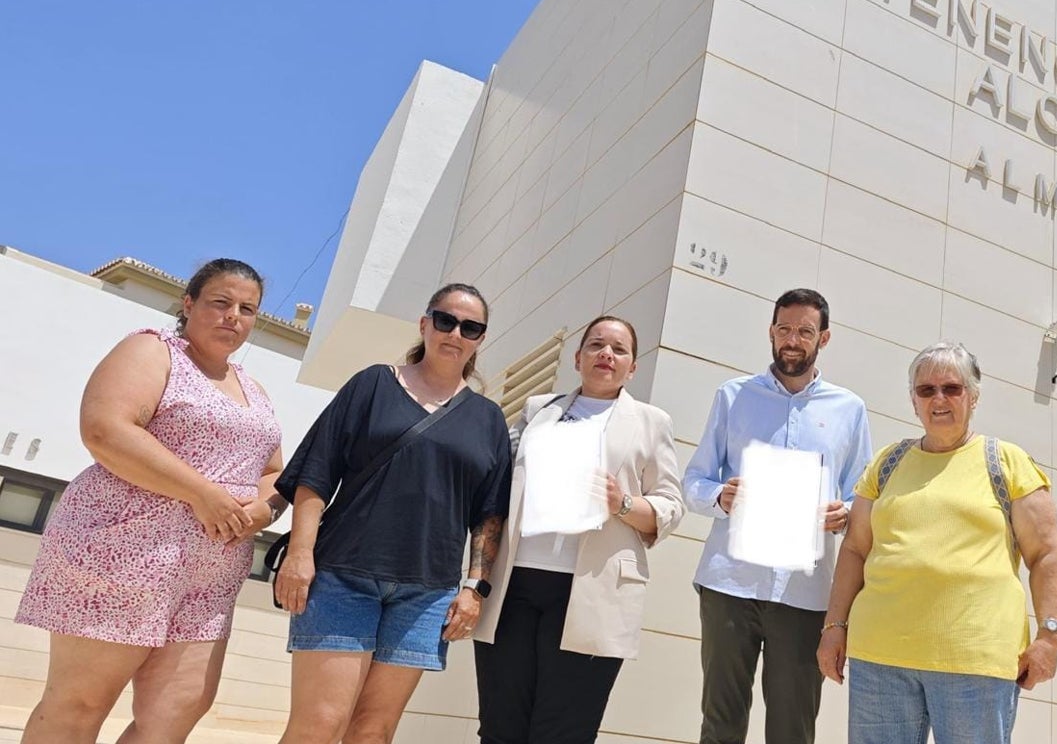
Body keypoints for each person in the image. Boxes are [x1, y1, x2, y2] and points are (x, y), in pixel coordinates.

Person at [16, 258, 285, 744]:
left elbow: (272, 470)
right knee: (80, 702)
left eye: (247, 309)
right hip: (123, 551)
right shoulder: (151, 350)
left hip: (211, 574)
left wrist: (265, 508)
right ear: (189, 304)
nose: (234, 317)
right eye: (220, 303)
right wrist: (202, 493)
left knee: (178, 711)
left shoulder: (254, 389)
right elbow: (106, 429)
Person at [271, 282, 512, 744]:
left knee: (373, 732)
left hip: (426, 594)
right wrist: (300, 553)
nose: (455, 332)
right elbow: (316, 473)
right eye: (445, 320)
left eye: (470, 327)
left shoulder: (488, 419)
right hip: (344, 576)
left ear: (480, 339)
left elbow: (489, 514)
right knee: (319, 725)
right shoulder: (373, 383)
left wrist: (474, 588)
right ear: (425, 324)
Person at [816, 342, 1057, 744]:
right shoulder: (887, 463)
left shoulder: (1006, 461)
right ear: (913, 401)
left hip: (975, 662)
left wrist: (1049, 636)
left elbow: (1047, 553)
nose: (939, 399)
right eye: (926, 390)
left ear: (974, 396)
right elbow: (854, 550)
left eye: (952, 388)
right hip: (880, 660)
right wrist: (833, 627)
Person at [472, 314, 685, 744]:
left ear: (632, 367)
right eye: (596, 345)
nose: (606, 354)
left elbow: (671, 505)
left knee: (564, 733)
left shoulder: (651, 422)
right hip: (514, 587)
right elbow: (498, 487)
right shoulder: (537, 411)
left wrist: (621, 503)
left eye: (619, 349)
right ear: (577, 357)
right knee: (500, 728)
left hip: (592, 592)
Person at [683, 287, 873, 744]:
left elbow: (863, 498)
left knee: (793, 727)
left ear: (823, 339)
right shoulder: (733, 396)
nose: (792, 339)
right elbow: (694, 482)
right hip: (730, 582)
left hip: (805, 592)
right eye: (784, 329)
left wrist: (843, 512)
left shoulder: (849, 409)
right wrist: (721, 497)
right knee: (720, 722)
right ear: (771, 332)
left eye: (804, 331)